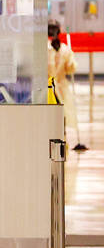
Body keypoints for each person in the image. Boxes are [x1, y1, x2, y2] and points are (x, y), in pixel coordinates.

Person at [48, 20, 88, 151]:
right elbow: (69, 69)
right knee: (57, 115)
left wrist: (69, 62)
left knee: (58, 114)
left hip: (55, 87)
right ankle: (57, 140)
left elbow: (70, 69)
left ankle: (58, 140)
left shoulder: (60, 49)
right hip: (55, 87)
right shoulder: (54, 48)